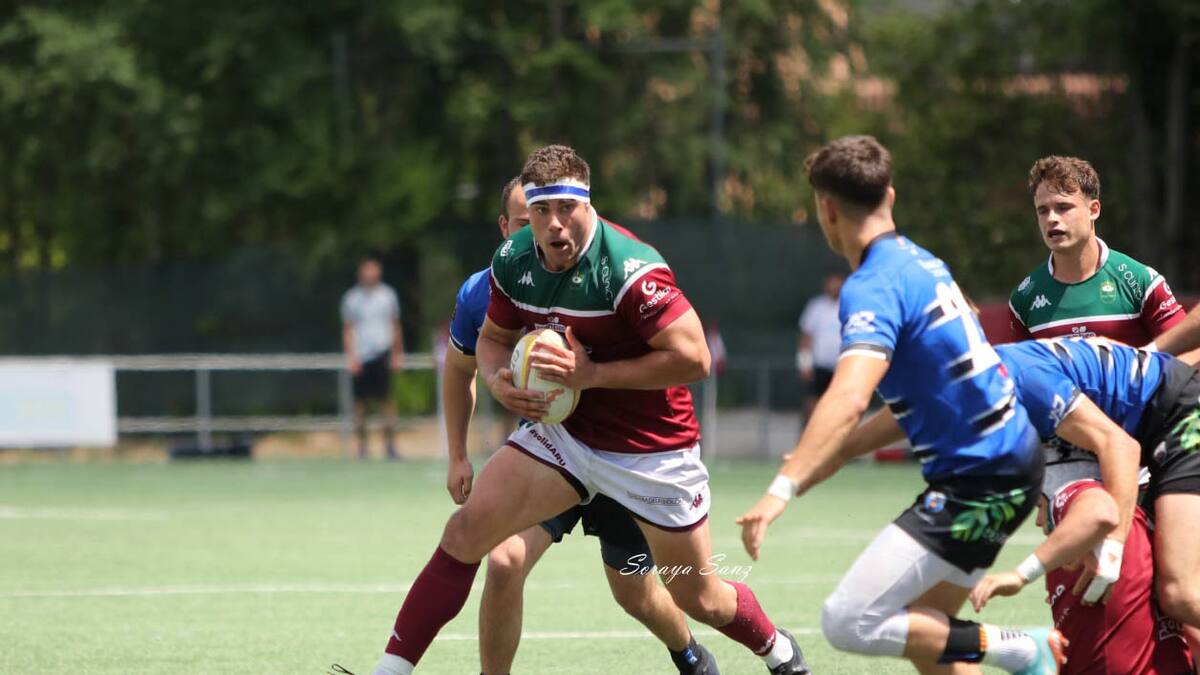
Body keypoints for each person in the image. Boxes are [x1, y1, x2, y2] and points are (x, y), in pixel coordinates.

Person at [370, 145, 808, 675]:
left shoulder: (628, 269)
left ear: (588, 204)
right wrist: (497, 381)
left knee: (698, 597)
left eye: (567, 208)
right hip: (566, 438)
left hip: (650, 450)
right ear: (522, 215)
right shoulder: (512, 261)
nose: (555, 225)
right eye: (540, 211)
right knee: (468, 534)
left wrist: (593, 375)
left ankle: (779, 652)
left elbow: (695, 358)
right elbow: (491, 341)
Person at [737, 135, 1064, 674]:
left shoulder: (871, 286)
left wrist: (782, 488)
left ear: (826, 209)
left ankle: (1020, 648)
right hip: (1011, 462)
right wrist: (830, 457)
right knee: (928, 638)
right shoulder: (923, 263)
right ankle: (1016, 652)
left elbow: (848, 396)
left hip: (979, 479)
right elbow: (923, 399)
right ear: (889, 195)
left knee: (849, 621)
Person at [443, 177, 718, 675]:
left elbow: (685, 355)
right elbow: (459, 367)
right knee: (504, 560)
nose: (545, 230)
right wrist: (458, 453)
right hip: (554, 450)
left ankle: (690, 653)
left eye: (555, 215)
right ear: (506, 229)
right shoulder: (485, 291)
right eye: (527, 221)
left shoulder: (609, 272)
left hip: (623, 451)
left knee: (633, 591)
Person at [987, 337, 1200, 657]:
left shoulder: (1018, 375)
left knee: (1180, 593)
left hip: (1181, 414)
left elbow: (1122, 449)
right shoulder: (981, 378)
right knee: (1166, 588)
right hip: (1154, 426)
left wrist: (1112, 549)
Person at [969, 450, 1194, 674]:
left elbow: (1098, 512)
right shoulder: (1152, 531)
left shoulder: (1072, 491)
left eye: (1039, 507)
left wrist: (1020, 575)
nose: (1038, 521)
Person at [1006, 155, 1184, 344]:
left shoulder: (1140, 282)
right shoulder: (1023, 299)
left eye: (1063, 207)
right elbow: (1017, 372)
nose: (1051, 219)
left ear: (1094, 210)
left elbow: (1191, 353)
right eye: (1043, 210)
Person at [341, 256, 405, 459]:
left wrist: (397, 353)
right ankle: (362, 447)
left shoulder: (388, 296)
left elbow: (395, 325)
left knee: (386, 401)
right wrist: (351, 356)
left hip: (382, 353)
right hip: (361, 355)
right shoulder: (351, 298)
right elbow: (348, 329)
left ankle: (390, 446)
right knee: (359, 404)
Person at [796, 272, 844, 426]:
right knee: (812, 404)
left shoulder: (849, 305)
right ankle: (806, 440)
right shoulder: (816, 307)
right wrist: (804, 363)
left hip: (842, 366)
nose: (833, 286)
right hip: (820, 365)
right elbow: (806, 337)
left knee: (839, 407)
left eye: (837, 282)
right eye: (831, 282)